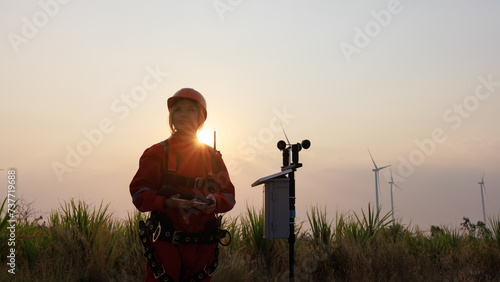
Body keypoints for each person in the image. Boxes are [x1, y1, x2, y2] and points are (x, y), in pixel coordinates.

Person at [130, 88, 236, 282]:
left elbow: (229, 195)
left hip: (203, 249)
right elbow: (139, 193)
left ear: (201, 118)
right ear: (171, 116)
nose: (183, 115)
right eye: (177, 110)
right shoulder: (157, 153)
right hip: (165, 246)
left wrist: (215, 202)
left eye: (190, 110)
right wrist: (166, 202)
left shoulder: (213, 158)